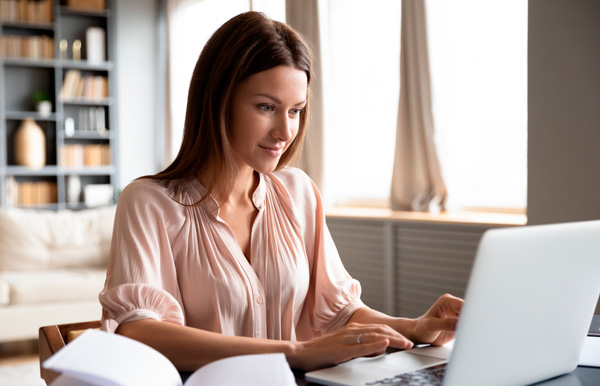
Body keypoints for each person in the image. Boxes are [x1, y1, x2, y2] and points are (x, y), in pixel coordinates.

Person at [99, 11, 462, 372]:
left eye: (296, 110)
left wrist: (415, 328)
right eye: (267, 107)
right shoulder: (148, 203)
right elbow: (141, 333)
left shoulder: (298, 192)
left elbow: (340, 313)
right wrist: (295, 352)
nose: (285, 132)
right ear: (218, 100)